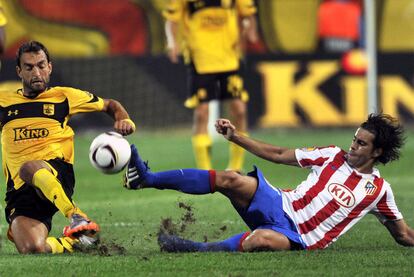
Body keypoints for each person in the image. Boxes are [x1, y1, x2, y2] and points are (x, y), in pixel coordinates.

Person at [124, 113, 414, 251]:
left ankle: (191, 248)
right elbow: (277, 154)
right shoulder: (331, 155)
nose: (353, 146)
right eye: (354, 139)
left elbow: (403, 235)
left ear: (377, 152)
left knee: (259, 240)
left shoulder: (378, 191)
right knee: (231, 178)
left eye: (361, 144)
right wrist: (234, 136)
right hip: (280, 203)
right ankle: (147, 178)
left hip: (299, 238)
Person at [1, 41, 136, 254]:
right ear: (19, 71)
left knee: (28, 167)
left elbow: (111, 105)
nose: (37, 72)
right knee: (32, 248)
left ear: (50, 67)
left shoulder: (64, 96)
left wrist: (125, 119)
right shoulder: (4, 102)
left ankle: (76, 216)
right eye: (29, 67)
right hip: (20, 189)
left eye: (41, 65)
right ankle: (78, 242)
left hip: (56, 171)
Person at [163, 0, 258, 171]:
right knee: (201, 113)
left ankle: (235, 167)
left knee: (240, 110)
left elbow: (248, 14)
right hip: (200, 59)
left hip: (229, 58)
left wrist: (249, 31)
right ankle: (205, 171)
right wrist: (172, 42)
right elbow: (172, 20)